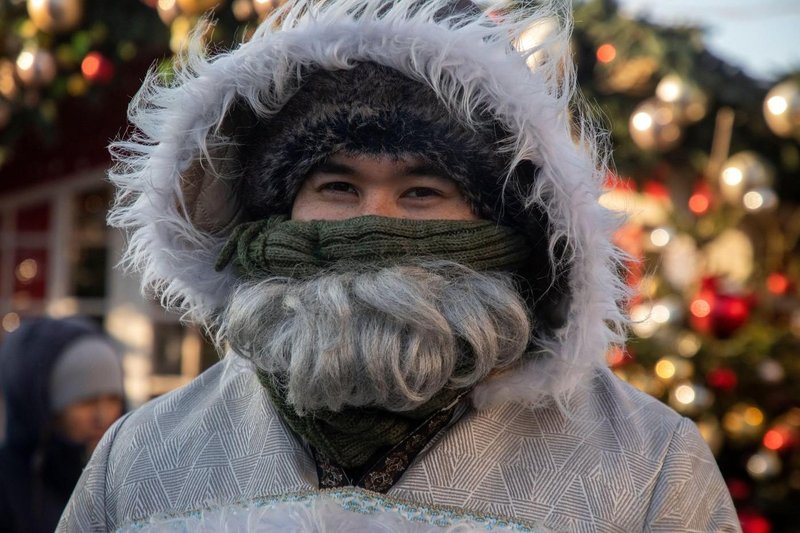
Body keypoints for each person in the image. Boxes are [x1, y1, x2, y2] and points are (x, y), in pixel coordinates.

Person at [60, 0, 741, 530]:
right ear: (280, 211)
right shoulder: (147, 456)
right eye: (337, 187)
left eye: (422, 191)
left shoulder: (646, 462)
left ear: (500, 222)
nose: (374, 219)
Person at [0, 316, 125, 533]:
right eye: (86, 401)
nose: (102, 416)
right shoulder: (8, 487)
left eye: (113, 398)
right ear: (45, 407)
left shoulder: (125, 478)